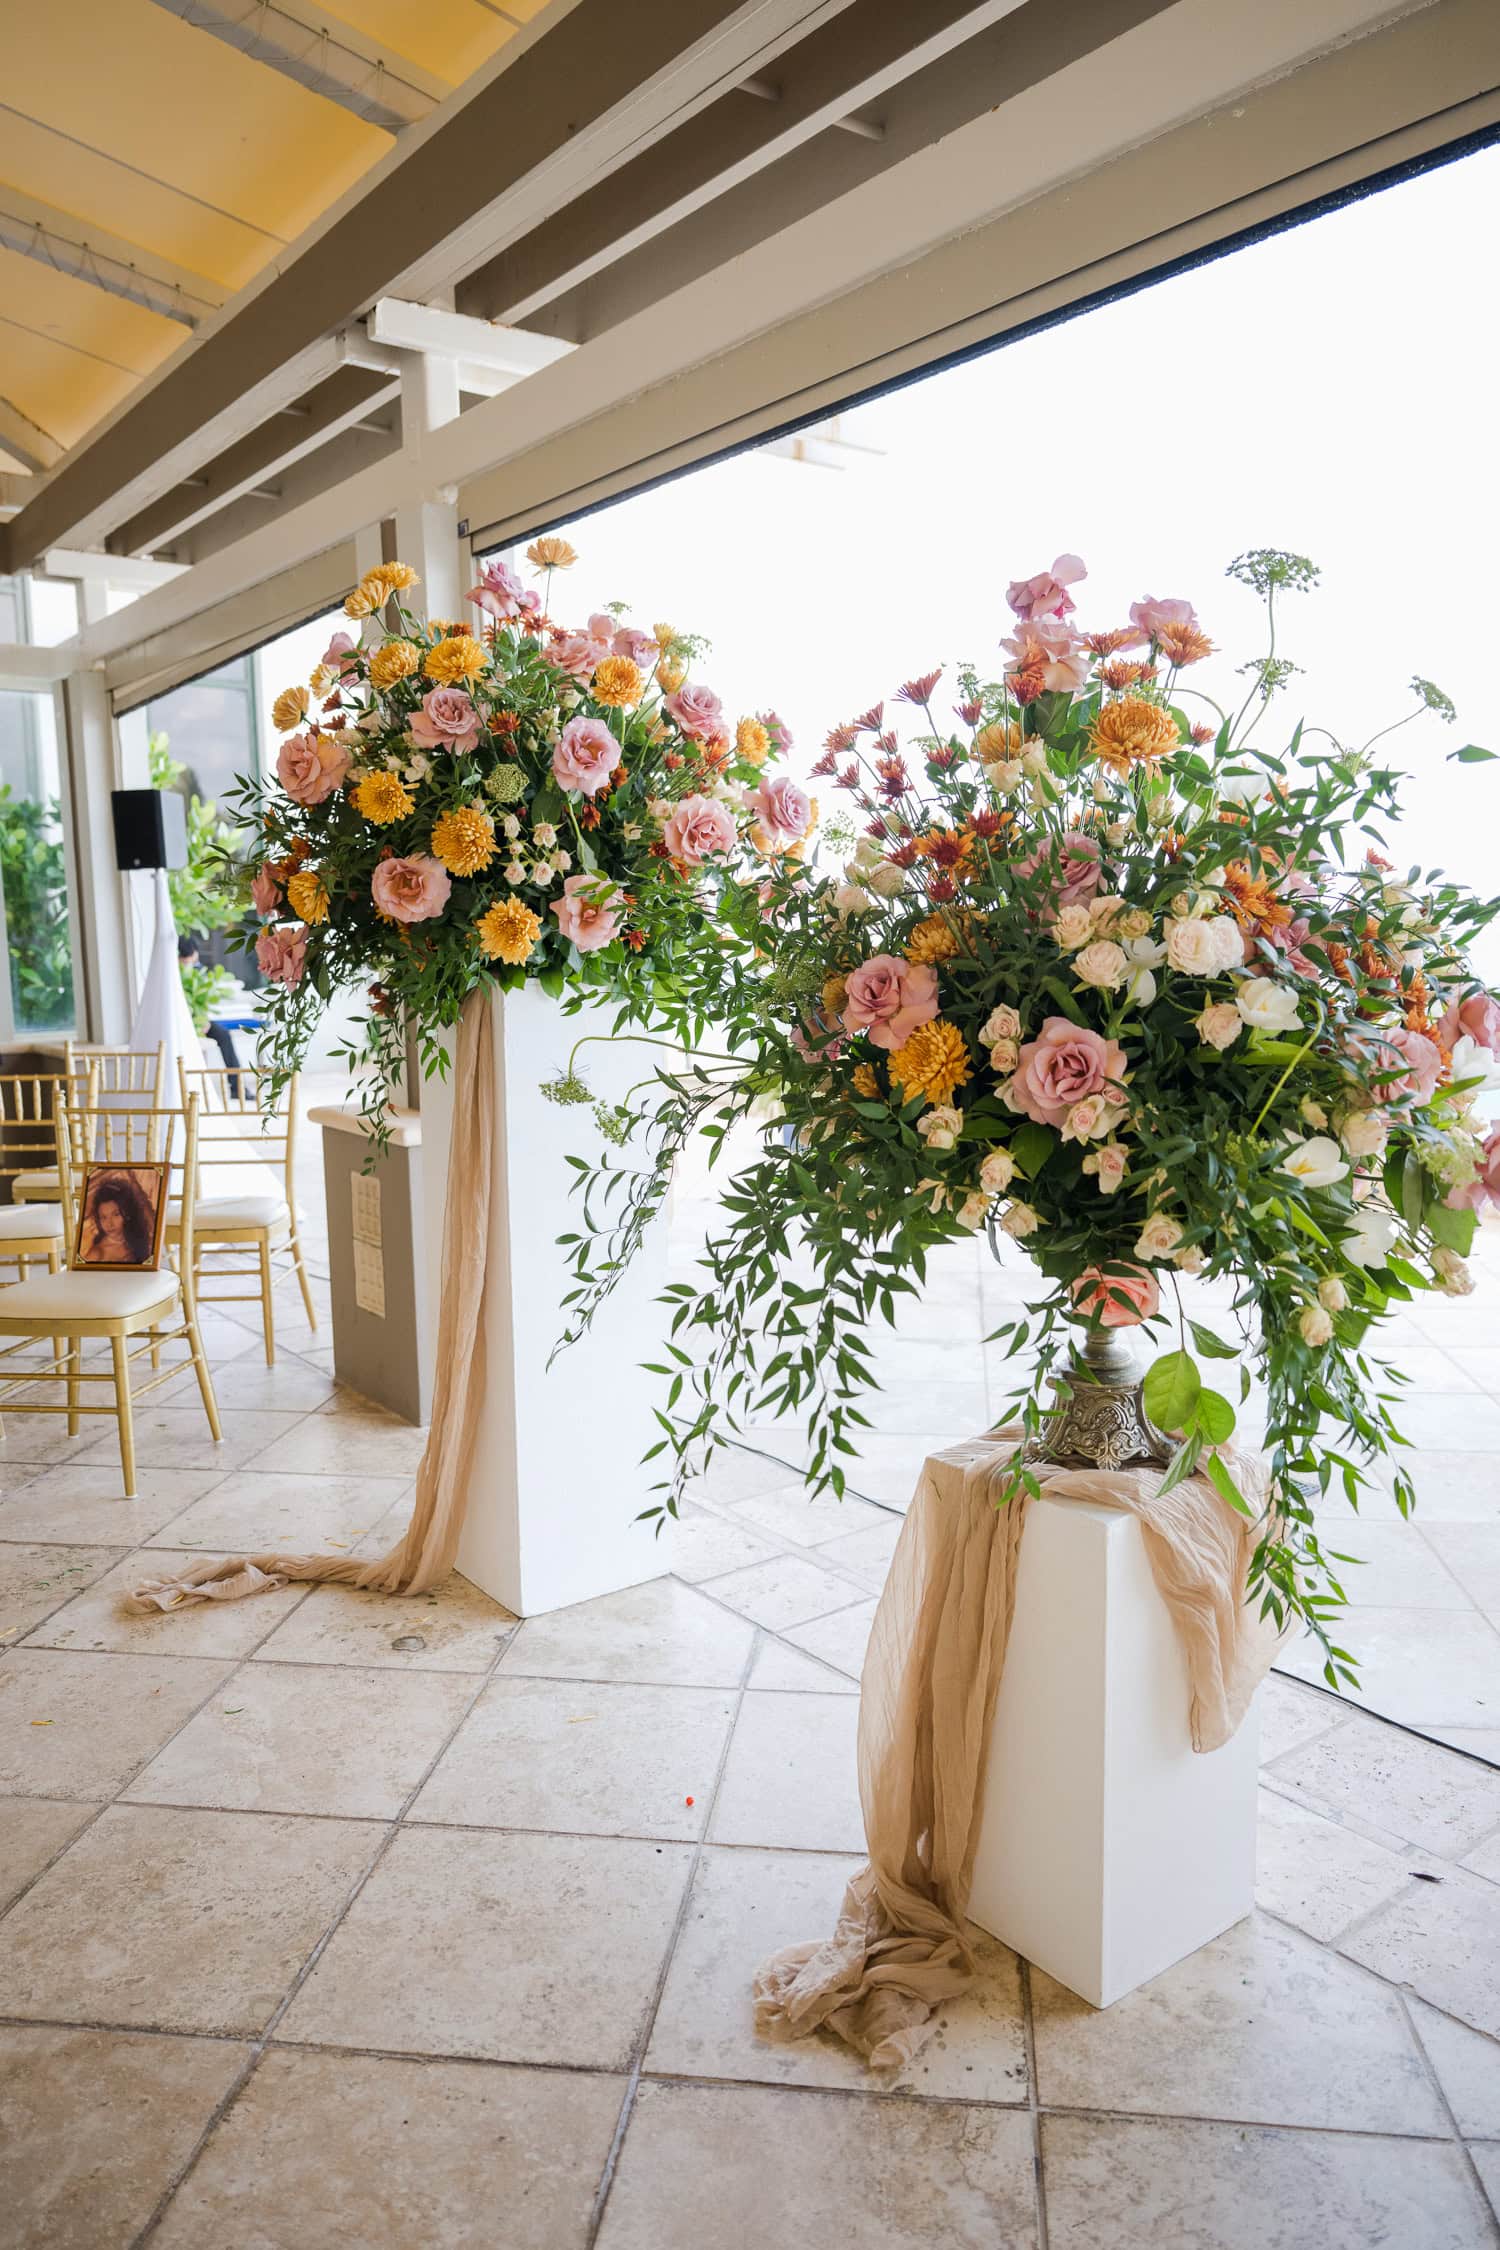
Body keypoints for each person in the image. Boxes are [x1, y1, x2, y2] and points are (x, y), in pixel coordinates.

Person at [79, 1171, 158, 1266]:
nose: (109, 1224)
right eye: (103, 1217)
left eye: (116, 1214)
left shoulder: (139, 1237)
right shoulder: (97, 1254)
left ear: (127, 1213)